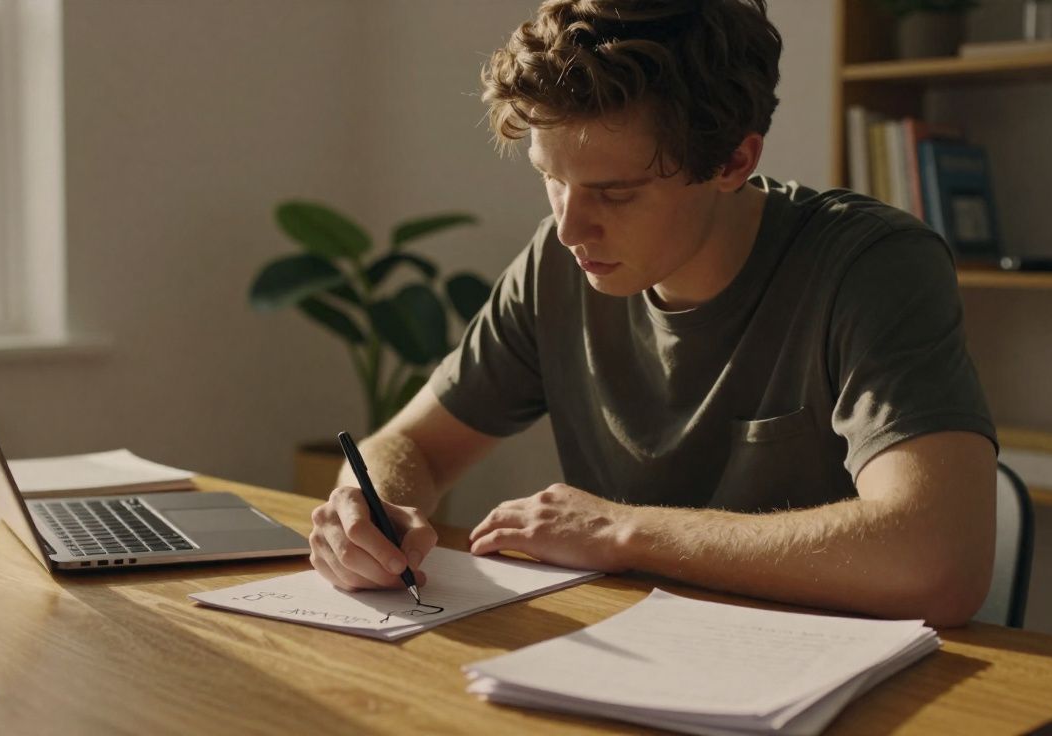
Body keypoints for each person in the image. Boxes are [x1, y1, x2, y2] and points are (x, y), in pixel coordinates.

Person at [308, 0, 998, 626]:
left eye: (616, 194)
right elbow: (412, 446)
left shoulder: (871, 266)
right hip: (637, 666)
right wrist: (369, 508)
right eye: (552, 179)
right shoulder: (557, 265)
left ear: (734, 161)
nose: (571, 227)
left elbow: (937, 563)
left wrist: (625, 531)